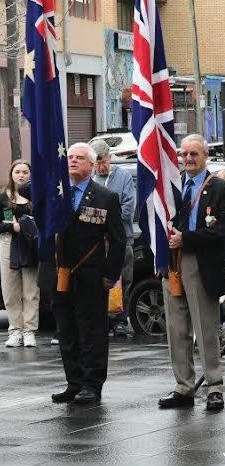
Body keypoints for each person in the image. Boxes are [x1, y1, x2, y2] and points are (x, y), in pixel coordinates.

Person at [158, 135, 225, 413]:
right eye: (184, 154)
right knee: (177, 329)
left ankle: (214, 387)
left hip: (201, 262)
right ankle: (183, 387)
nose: (188, 159)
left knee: (205, 329)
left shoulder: (220, 188)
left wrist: (187, 239)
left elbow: (223, 229)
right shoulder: (172, 185)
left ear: (205, 156)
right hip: (173, 262)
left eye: (194, 154)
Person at [51, 143, 126, 405]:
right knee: (67, 331)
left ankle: (92, 384)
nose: (73, 161)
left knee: (91, 332)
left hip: (90, 275)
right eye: (70, 157)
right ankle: (74, 382)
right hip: (61, 274)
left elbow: (118, 240)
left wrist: (110, 275)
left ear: (92, 165)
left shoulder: (105, 197)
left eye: (79, 158)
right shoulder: (57, 193)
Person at [88, 139, 136, 337]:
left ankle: (120, 320)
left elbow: (128, 208)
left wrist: (105, 220)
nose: (101, 166)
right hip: (97, 243)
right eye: (96, 162)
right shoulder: (90, 179)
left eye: (103, 161)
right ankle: (102, 320)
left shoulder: (123, 177)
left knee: (123, 280)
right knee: (98, 281)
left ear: (110, 157)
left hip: (121, 239)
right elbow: (86, 211)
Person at [1, 161, 39, 348]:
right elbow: (3, 223)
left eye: (25, 172)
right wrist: (12, 226)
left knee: (31, 290)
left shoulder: (35, 196)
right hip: (8, 243)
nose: (21, 175)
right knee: (10, 290)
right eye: (17, 172)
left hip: (30, 244)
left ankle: (29, 330)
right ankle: (15, 330)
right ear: (11, 174)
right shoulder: (4, 197)